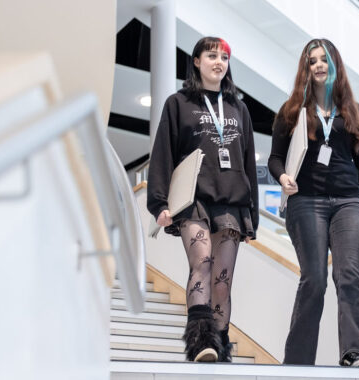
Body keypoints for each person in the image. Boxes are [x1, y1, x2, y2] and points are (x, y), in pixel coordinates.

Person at [268, 38, 359, 367]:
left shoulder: (352, 110)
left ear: (335, 66)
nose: (319, 65)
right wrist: (282, 178)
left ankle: (354, 353)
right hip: (305, 201)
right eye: (312, 61)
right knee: (315, 279)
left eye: (325, 60)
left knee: (349, 274)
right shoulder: (291, 110)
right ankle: (297, 362)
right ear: (305, 68)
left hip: (348, 200)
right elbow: (276, 159)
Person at [147, 36, 259, 363]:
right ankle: (199, 343)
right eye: (212, 56)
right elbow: (163, 153)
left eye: (224, 57)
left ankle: (219, 349)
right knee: (203, 262)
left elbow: (249, 161)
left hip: (233, 202)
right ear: (196, 61)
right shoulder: (178, 103)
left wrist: (252, 216)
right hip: (194, 198)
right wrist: (159, 203)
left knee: (223, 282)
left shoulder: (239, 109)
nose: (218, 62)